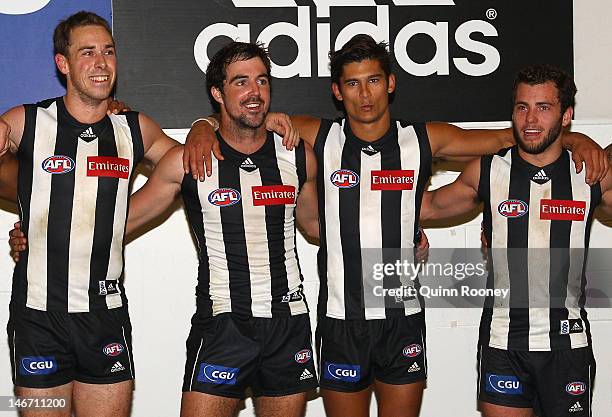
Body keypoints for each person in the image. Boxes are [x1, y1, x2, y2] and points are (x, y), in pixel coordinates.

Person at [183, 35, 607, 417]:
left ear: (390, 83)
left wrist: (574, 138)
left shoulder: (423, 139)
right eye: (351, 83)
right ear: (337, 90)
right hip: (340, 318)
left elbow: (510, 137)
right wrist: (201, 128)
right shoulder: (315, 134)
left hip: (401, 316)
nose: (364, 93)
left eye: (372, 80)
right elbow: (245, 118)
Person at [127, 42, 320, 417]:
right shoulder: (188, 160)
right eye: (241, 83)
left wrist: (399, 230)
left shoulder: (297, 154)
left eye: (262, 82)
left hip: (287, 321)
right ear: (217, 93)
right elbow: (117, 224)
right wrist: (36, 236)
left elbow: (315, 226)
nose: (255, 93)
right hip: (223, 324)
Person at [420, 64, 612, 417]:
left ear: (566, 115)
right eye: (522, 107)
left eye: (543, 107)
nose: (530, 119)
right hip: (503, 342)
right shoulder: (489, 170)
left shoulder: (590, 175)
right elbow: (427, 207)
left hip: (567, 345)